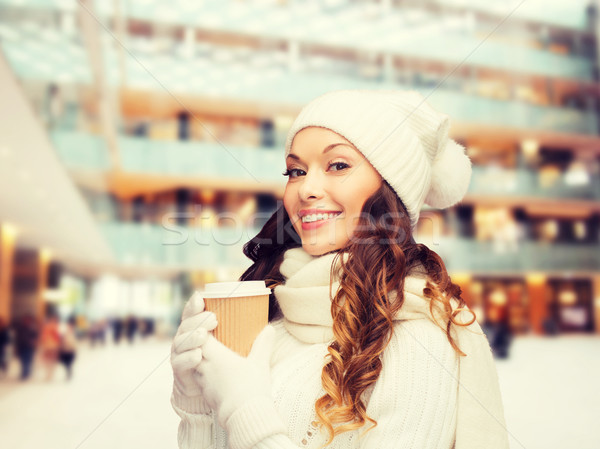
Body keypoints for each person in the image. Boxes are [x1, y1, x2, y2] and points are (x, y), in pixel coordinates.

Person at [170, 90, 509, 449]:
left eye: (338, 165)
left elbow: (245, 418)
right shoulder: (276, 315)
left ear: (389, 190)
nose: (307, 189)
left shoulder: (415, 340)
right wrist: (196, 402)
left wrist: (243, 408)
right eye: (296, 171)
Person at [14, 314, 39, 380]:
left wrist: (33, 342)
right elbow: (17, 338)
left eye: (27, 320)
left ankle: (26, 372)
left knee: (28, 360)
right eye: (24, 320)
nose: (26, 321)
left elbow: (36, 337)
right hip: (22, 346)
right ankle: (24, 372)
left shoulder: (32, 328)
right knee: (22, 360)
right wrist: (16, 347)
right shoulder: (20, 328)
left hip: (29, 347)